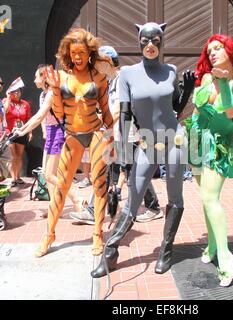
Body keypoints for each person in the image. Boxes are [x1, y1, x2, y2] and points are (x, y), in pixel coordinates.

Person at [91, 22, 195, 278]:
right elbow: (125, 115)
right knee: (133, 197)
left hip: (174, 139)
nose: (150, 45)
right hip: (147, 143)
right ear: (139, 42)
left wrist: (188, 90)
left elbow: (176, 109)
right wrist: (124, 152)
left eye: (155, 40)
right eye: (145, 40)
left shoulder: (171, 70)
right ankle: (110, 252)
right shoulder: (127, 75)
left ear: (161, 42)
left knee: (175, 197)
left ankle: (166, 251)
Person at [34, 27, 114, 258]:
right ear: (68, 53)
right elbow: (59, 113)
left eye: (82, 52)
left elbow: (107, 112)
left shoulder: (99, 78)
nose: (78, 57)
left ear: (89, 52)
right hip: (73, 134)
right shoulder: (62, 78)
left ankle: (98, 234)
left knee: (99, 185)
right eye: (74, 52)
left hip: (97, 132)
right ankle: (49, 234)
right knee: (61, 186)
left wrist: (114, 142)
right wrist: (56, 89)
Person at [186, 34, 233, 286]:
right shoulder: (206, 77)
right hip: (197, 140)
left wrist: (224, 82)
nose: (212, 52)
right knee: (205, 198)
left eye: (218, 48)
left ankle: (226, 258)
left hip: (221, 144)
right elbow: (196, 108)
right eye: (209, 50)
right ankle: (212, 246)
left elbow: (232, 110)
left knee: (209, 197)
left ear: (230, 51)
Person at [70, 45, 164, 224]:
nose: (94, 66)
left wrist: (101, 124)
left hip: (129, 134)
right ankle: (95, 210)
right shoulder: (108, 82)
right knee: (116, 170)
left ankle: (152, 207)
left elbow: (120, 108)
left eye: (97, 62)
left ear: (108, 62)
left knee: (130, 171)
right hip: (116, 134)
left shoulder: (122, 78)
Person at [13, 65, 83, 215]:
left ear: (44, 77)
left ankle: (77, 198)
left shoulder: (52, 93)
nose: (33, 80)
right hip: (51, 133)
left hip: (58, 133)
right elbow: (42, 118)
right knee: (46, 174)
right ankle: (54, 206)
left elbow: (39, 116)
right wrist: (24, 130)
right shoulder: (43, 95)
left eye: (36, 77)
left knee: (52, 175)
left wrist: (22, 131)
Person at [2, 77, 32, 187]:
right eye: (14, 91)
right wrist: (8, 97)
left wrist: (30, 132)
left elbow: (29, 118)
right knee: (12, 155)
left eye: (18, 91)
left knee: (19, 155)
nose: (16, 93)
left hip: (21, 132)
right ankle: (13, 178)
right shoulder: (6, 101)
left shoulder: (25, 104)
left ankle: (18, 176)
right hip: (9, 132)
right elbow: (4, 112)